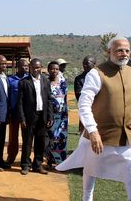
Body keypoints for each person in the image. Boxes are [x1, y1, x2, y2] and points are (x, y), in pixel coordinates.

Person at [56, 36, 131, 201]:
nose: (124, 54)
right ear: (108, 52)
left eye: (127, 50)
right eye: (119, 50)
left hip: (127, 138)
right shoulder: (97, 73)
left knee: (130, 174)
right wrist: (93, 130)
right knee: (91, 172)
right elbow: (84, 104)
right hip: (99, 137)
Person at [17, 58, 53, 175]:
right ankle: (25, 165)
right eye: (33, 67)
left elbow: (48, 100)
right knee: (27, 142)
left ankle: (37, 165)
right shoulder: (23, 82)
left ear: (41, 68)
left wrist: (50, 116)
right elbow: (20, 102)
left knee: (40, 142)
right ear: (30, 68)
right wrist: (22, 119)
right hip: (29, 117)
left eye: (38, 67)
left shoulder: (46, 81)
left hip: (42, 116)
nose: (36, 69)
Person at [45, 61, 68, 167]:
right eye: (52, 69)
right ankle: (49, 160)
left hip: (62, 116)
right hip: (50, 116)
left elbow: (65, 97)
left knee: (60, 138)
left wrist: (65, 113)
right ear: (48, 70)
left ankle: (60, 162)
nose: (54, 71)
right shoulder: (45, 82)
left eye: (56, 69)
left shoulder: (63, 82)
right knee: (50, 138)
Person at [6, 58, 29, 165]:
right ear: (18, 67)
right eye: (23, 66)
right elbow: (7, 96)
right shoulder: (10, 80)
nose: (25, 68)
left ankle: (26, 159)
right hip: (14, 112)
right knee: (13, 137)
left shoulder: (29, 79)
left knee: (27, 137)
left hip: (26, 114)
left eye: (27, 66)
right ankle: (11, 157)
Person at [74, 55, 97, 134]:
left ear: (94, 64)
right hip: (86, 109)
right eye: (83, 63)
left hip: (98, 110)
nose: (84, 65)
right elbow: (79, 95)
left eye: (87, 63)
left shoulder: (99, 77)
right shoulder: (79, 79)